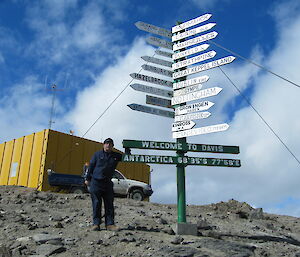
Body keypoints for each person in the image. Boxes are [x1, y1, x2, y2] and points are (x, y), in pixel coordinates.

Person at [84, 138, 122, 231]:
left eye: (110, 144)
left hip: (108, 183)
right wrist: (87, 178)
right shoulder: (97, 154)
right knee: (96, 203)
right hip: (96, 182)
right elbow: (91, 166)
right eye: (106, 144)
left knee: (109, 204)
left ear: (112, 146)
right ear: (103, 145)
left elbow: (128, 158)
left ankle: (110, 224)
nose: (108, 145)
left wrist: (128, 150)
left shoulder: (116, 156)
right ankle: (96, 224)